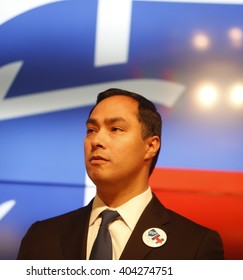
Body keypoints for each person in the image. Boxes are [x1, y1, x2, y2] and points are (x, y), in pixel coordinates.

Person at [17, 88, 224, 260]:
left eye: (115, 129)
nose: (96, 140)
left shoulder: (194, 245)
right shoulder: (42, 237)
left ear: (151, 146)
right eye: (91, 130)